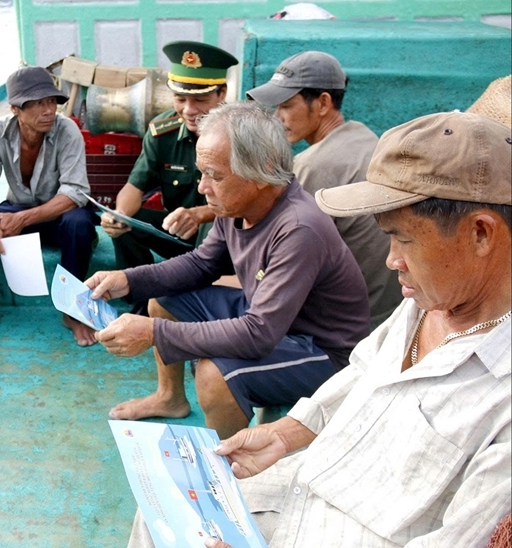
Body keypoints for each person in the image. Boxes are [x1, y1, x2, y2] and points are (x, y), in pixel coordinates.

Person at [128, 111, 512, 548]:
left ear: (481, 234)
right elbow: (362, 372)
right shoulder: (426, 303)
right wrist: (285, 433)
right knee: (163, 508)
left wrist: (154, 333)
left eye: (404, 239)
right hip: (312, 479)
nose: (391, 261)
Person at [87, 102, 370, 438]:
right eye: (202, 172)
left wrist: (154, 333)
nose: (204, 187)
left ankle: (228, 467)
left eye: (215, 175)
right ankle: (170, 398)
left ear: (261, 172)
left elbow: (257, 334)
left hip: (321, 351)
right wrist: (128, 280)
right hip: (271, 320)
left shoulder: (298, 229)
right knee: (163, 299)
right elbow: (202, 264)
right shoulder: (238, 205)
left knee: (214, 373)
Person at [246, 51, 401, 327]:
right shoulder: (363, 136)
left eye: (286, 106)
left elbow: (277, 258)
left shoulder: (311, 166)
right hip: (389, 314)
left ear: (323, 103)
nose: (277, 118)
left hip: (345, 326)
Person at [0, 65, 97, 346]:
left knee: (80, 223)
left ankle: (72, 312)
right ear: (15, 108)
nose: (49, 110)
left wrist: (25, 219)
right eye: (38, 104)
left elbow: (75, 192)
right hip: (17, 210)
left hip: (59, 215)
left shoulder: (68, 131)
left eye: (52, 101)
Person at [100, 41, 238, 278]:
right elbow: (134, 186)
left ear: (222, 93)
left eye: (200, 100)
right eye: (180, 99)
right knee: (129, 223)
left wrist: (201, 214)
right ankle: (139, 299)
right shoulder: (163, 132)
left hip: (227, 238)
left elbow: (251, 204)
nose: (188, 110)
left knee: (212, 228)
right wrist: (118, 217)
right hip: (179, 233)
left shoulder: (241, 135)